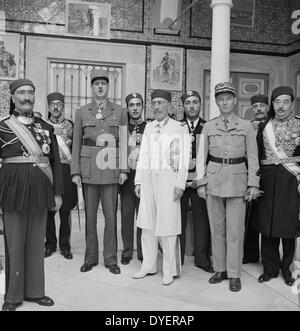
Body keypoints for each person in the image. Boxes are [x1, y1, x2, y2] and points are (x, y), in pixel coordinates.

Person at [0, 78, 63, 311]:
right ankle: (13, 296)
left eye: (30, 93)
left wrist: (57, 193)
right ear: (13, 97)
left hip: (40, 189)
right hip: (12, 191)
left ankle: (36, 291)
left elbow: (55, 161)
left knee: (37, 243)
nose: (27, 97)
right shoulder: (3, 126)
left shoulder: (46, 127)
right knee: (14, 244)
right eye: (22, 93)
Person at [197, 82, 260, 292]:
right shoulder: (208, 126)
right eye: (220, 98)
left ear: (234, 101)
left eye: (228, 98)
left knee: (235, 231)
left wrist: (253, 184)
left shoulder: (246, 126)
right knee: (217, 229)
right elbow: (200, 158)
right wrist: (201, 183)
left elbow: (253, 158)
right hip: (214, 179)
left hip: (237, 181)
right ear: (216, 102)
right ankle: (220, 269)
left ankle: (234, 274)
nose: (225, 102)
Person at [71, 69, 129, 275]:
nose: (100, 86)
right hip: (89, 169)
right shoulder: (82, 111)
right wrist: (75, 171)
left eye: (104, 83)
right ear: (92, 87)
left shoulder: (120, 111)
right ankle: (90, 257)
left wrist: (124, 169)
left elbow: (124, 143)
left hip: (111, 167)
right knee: (90, 217)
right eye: (97, 83)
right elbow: (76, 142)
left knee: (111, 216)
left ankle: (111, 259)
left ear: (108, 86)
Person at [133, 89, 190, 286]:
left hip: (168, 181)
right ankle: (148, 265)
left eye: (160, 103)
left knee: (168, 227)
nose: (156, 107)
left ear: (169, 106)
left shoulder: (179, 127)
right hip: (149, 181)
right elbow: (143, 155)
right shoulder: (149, 127)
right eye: (154, 103)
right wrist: (139, 181)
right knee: (147, 225)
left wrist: (180, 184)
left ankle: (169, 269)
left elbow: (183, 158)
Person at [254, 86, 300, 287]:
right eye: (277, 102)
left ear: (292, 103)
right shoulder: (264, 127)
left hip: (291, 181)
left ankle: (287, 269)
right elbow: (256, 155)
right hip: (268, 180)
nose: (281, 106)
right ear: (272, 104)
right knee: (268, 226)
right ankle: (270, 269)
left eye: (285, 102)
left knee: (289, 228)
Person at [180, 90, 213, 273]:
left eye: (195, 102)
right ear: (183, 106)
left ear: (200, 104)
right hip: (180, 183)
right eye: (188, 103)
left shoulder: (208, 126)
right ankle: (176, 257)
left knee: (202, 221)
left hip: (201, 182)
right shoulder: (176, 127)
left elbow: (210, 157)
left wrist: (200, 180)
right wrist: (183, 179)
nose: (191, 106)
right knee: (178, 220)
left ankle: (202, 258)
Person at [45, 92, 77, 260]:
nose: (56, 107)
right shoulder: (42, 125)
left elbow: (75, 149)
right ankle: (49, 245)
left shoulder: (71, 125)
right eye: (52, 104)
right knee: (49, 211)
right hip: (48, 172)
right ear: (48, 107)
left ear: (63, 106)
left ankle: (65, 246)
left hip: (65, 171)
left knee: (65, 210)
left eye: (59, 104)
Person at [120, 93, 146, 265]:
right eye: (131, 105)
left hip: (144, 178)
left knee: (143, 217)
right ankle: (127, 250)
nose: (135, 108)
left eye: (138, 104)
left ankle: (143, 252)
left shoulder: (149, 126)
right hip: (128, 178)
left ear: (142, 107)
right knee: (127, 216)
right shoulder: (123, 128)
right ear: (127, 108)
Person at [243, 94, 269, 264]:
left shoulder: (274, 125)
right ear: (252, 109)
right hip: (250, 175)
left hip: (269, 175)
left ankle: (269, 258)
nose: (258, 109)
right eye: (255, 106)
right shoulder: (247, 127)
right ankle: (251, 255)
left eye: (262, 105)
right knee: (250, 217)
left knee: (267, 218)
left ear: (268, 107)